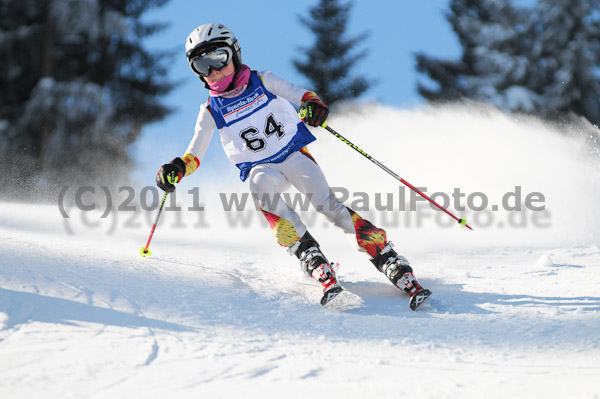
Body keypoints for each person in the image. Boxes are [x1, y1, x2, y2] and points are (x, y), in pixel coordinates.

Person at [156, 23, 431, 309]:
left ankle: (386, 256)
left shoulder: (263, 80)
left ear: (235, 55)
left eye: (218, 59)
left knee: (327, 206)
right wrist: (176, 169)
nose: (212, 71)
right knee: (258, 184)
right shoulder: (211, 110)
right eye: (201, 64)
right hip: (263, 167)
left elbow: (302, 95)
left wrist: (312, 106)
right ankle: (306, 251)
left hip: (293, 155)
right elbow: (194, 153)